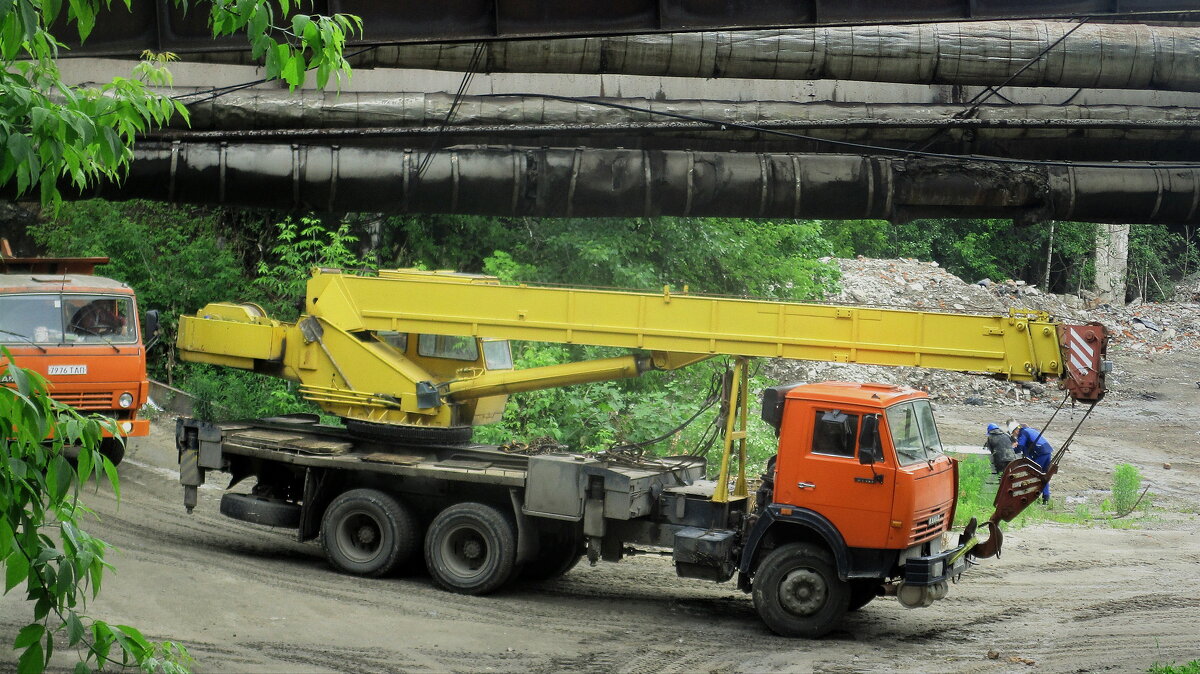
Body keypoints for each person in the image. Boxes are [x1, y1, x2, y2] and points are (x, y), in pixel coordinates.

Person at [1007, 419, 1054, 504]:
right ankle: (1046, 497)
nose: (1014, 436)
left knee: (1034, 474)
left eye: (1013, 434)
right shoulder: (1029, 430)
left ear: (1016, 431)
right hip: (1047, 452)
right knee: (1044, 475)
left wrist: (1011, 448)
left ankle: (1031, 497)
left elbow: (1020, 448)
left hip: (1041, 453)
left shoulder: (1023, 433)